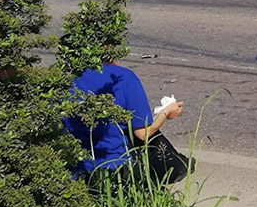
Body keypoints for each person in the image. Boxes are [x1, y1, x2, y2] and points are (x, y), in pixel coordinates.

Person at [62, 60, 191, 185]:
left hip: (71, 171)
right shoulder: (123, 77)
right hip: (115, 169)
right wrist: (167, 112)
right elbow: (143, 133)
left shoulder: (59, 78)